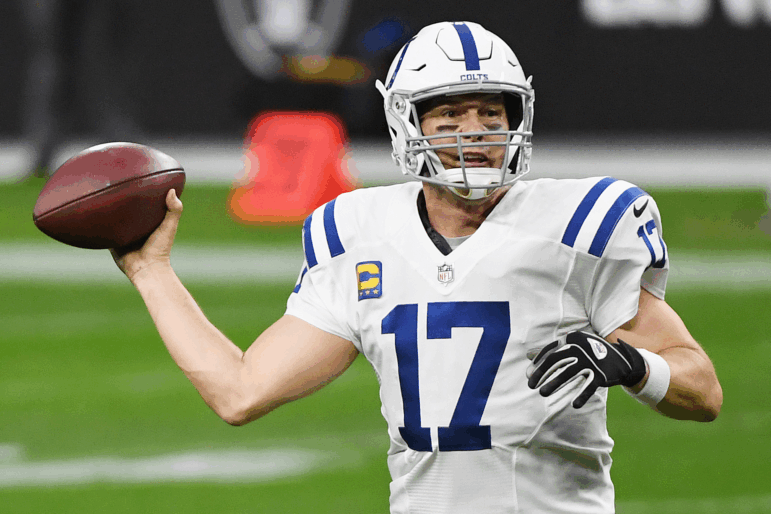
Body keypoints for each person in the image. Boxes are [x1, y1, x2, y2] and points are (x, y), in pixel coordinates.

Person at [111, 21, 723, 514]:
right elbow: (240, 391)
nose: (474, 133)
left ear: (518, 119)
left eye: (491, 113)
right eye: (448, 116)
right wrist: (151, 270)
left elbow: (704, 390)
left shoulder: (582, 224)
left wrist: (636, 365)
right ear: (408, 124)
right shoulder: (357, 233)